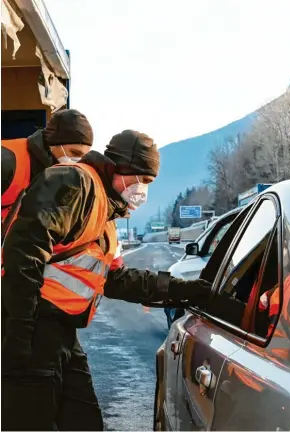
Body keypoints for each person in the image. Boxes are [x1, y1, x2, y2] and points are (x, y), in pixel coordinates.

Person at [1, 129, 212, 431]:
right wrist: (20, 331)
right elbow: (24, 252)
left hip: (60, 333)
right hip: (32, 327)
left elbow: (117, 279)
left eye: (149, 182)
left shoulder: (106, 216)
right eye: (141, 179)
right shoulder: (76, 183)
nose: (142, 190)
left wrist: (187, 291)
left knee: (83, 422)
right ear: (119, 168)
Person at [1, 108, 94, 225]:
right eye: (74, 153)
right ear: (53, 144)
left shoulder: (52, 176)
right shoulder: (7, 161)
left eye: (82, 157)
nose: (77, 162)